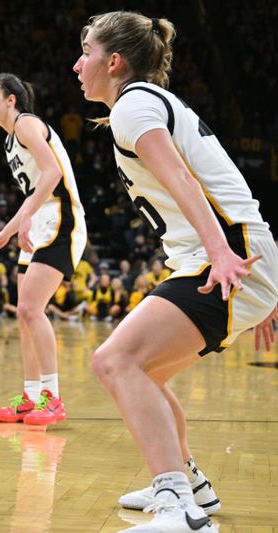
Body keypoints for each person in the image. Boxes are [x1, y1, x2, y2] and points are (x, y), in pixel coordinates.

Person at [74, 11, 278, 532]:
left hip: (227, 257)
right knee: (147, 373)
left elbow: (184, 178)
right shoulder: (148, 102)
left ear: (113, 61)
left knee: (115, 362)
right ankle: (190, 486)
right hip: (233, 256)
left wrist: (226, 256)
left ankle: (178, 510)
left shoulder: (134, 105)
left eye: (86, 53)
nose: (78, 65)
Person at [0, 73, 87, 426]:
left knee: (30, 307)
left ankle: (52, 398)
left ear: (11, 99)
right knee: (24, 315)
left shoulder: (26, 123)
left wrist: (25, 218)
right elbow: (31, 195)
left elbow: (52, 172)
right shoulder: (10, 141)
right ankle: (29, 397)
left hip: (61, 219)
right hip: (38, 222)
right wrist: (5, 234)